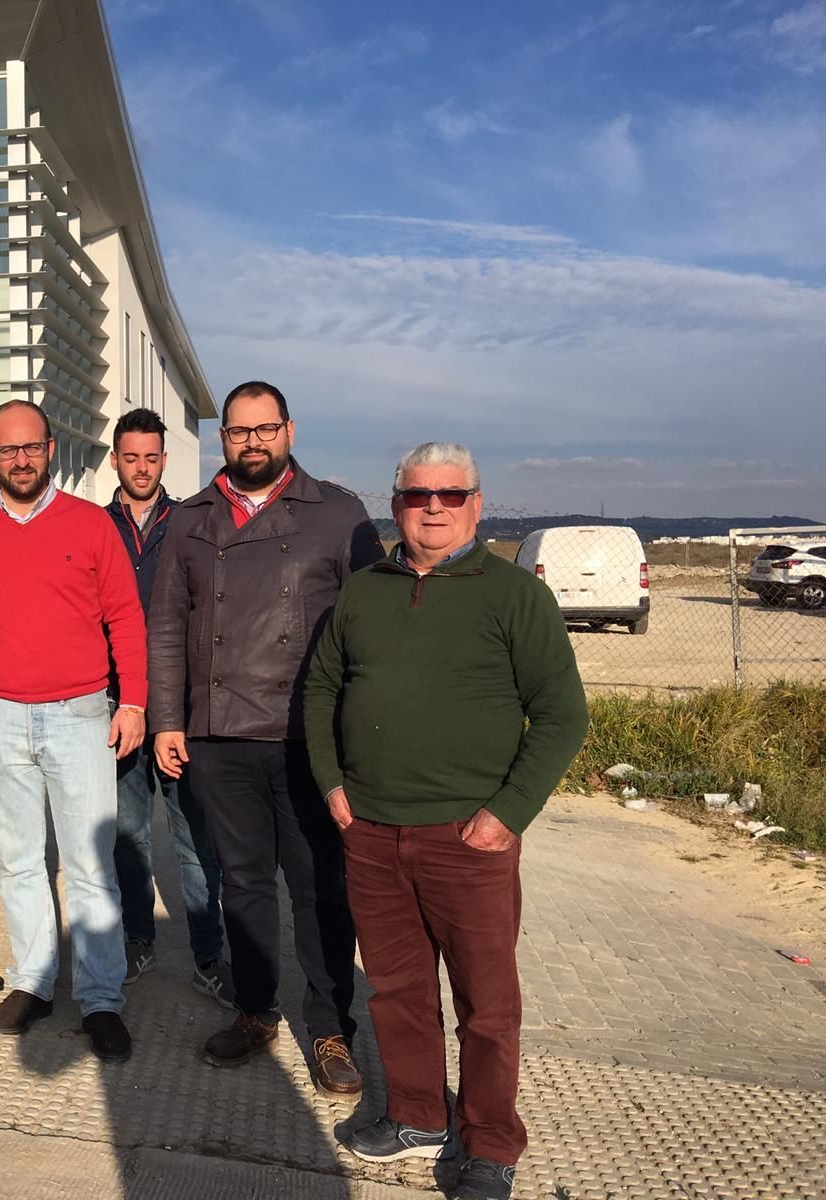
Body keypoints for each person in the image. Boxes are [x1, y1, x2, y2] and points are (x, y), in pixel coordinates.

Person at [304, 442, 587, 1200]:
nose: (433, 506)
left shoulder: (515, 596)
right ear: (395, 504)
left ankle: (490, 1144)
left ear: (476, 503)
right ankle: (420, 1116)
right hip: (371, 833)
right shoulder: (363, 592)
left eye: (450, 495)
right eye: (418, 494)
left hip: (469, 838)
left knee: (486, 1006)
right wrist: (333, 784)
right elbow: (321, 691)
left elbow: (562, 715)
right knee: (396, 991)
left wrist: (507, 813)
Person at [147, 380, 383, 1094]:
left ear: (289, 430)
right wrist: (167, 719)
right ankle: (255, 1010)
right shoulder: (190, 519)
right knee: (244, 884)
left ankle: (329, 1026)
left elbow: (372, 628)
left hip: (308, 735)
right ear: (223, 438)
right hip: (219, 735)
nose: (251, 441)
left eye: (264, 429)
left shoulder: (338, 514)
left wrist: (362, 733)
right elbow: (165, 626)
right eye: (237, 431)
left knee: (319, 887)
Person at [0, 399, 148, 1063]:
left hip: (82, 712)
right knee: (21, 860)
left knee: (90, 866)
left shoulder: (90, 525)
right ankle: (33, 980)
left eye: (31, 447)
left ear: (51, 448)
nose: (20, 459)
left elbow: (125, 617)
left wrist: (134, 702)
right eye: (7, 450)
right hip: (0, 717)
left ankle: (102, 997)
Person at [103, 407, 230, 1006]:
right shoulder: (96, 526)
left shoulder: (191, 524)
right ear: (115, 460)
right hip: (117, 707)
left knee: (193, 837)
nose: (142, 467)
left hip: (179, 709)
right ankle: (136, 939)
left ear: (164, 460)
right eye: (131, 457)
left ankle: (209, 953)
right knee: (128, 834)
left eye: (152, 457)